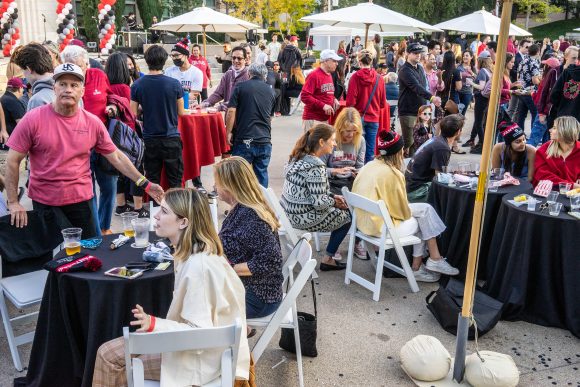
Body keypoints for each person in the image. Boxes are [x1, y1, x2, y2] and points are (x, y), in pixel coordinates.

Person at [92, 188, 250, 386]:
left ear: (184, 222)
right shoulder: (197, 251)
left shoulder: (197, 267)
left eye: (164, 212)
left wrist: (153, 324)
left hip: (203, 362)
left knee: (108, 357)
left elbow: (199, 334)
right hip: (215, 351)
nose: (156, 216)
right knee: (112, 352)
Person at [4, 63, 163, 236]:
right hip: (45, 201)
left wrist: (145, 183)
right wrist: (13, 202)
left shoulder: (92, 122)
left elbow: (116, 156)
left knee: (88, 252)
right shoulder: (33, 119)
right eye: (62, 84)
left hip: (81, 201)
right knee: (53, 257)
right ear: (54, 88)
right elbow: (13, 160)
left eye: (74, 85)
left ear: (82, 90)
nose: (68, 89)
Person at [352, 130, 459, 282]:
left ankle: (431, 261)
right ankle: (423, 265)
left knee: (425, 211)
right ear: (398, 152)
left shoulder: (369, 166)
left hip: (363, 223)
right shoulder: (393, 174)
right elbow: (402, 213)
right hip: (378, 228)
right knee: (424, 219)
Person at [62, 45, 120, 234]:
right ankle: (95, 228)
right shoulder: (66, 84)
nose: (78, 72)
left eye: (81, 66)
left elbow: (110, 95)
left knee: (109, 186)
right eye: (73, 67)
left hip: (101, 141)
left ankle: (104, 226)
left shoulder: (98, 75)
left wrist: (112, 106)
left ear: (87, 63)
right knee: (88, 191)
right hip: (77, 144)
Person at [215, 157, 283, 319]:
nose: (214, 187)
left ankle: (233, 334)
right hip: (249, 288)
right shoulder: (241, 208)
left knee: (196, 304)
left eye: (217, 183)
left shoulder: (251, 216)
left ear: (229, 186)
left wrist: (229, 269)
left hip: (258, 298)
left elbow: (272, 261)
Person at [281, 124, 351, 270]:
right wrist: (335, 202)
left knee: (341, 210)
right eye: (332, 140)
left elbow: (313, 191)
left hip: (288, 213)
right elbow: (319, 203)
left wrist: (332, 196)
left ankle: (328, 257)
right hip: (302, 216)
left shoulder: (298, 158)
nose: (334, 144)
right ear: (321, 142)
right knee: (348, 217)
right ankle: (328, 259)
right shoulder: (316, 166)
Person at [131, 45, 186, 189]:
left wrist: (144, 108)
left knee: (153, 180)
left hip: (150, 139)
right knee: (175, 181)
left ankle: (154, 210)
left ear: (147, 60)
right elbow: (181, 112)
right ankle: (176, 210)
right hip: (171, 138)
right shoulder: (174, 84)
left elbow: (133, 113)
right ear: (164, 60)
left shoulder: (137, 85)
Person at [226, 63, 276, 187]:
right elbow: (269, 118)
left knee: (240, 176)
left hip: (245, 140)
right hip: (264, 140)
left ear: (249, 74)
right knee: (261, 175)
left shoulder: (240, 87)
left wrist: (228, 132)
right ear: (264, 76)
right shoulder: (271, 92)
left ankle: (240, 205)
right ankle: (261, 203)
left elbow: (231, 111)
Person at [405, 114, 465, 202]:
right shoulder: (442, 148)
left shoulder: (437, 140)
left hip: (410, 186)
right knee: (456, 198)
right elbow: (440, 178)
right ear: (458, 132)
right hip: (417, 192)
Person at [398, 43, 442, 156]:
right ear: (408, 54)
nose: (418, 55)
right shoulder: (404, 70)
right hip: (408, 112)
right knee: (411, 145)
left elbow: (424, 86)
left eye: (419, 53)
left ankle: (415, 169)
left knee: (421, 143)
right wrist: (432, 98)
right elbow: (416, 87)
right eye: (415, 53)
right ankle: (409, 171)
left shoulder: (420, 68)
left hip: (420, 111)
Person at [346, 50, 386, 162]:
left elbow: (350, 103)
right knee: (370, 150)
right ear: (371, 61)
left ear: (359, 62)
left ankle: (356, 173)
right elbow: (383, 103)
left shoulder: (355, 77)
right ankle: (367, 174)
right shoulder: (379, 78)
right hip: (373, 118)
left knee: (355, 148)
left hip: (358, 117)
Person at [300, 49, 342, 132]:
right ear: (325, 61)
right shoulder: (314, 75)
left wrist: (334, 99)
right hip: (313, 119)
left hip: (323, 119)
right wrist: (323, 105)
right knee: (312, 145)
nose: (337, 63)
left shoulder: (329, 74)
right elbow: (304, 96)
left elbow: (324, 92)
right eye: (334, 61)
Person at [532, 116, 580, 188]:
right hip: (550, 193)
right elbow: (542, 176)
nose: (550, 130)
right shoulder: (545, 149)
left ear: (564, 131)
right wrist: (572, 185)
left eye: (554, 128)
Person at [528, 56, 561, 146]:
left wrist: (533, 94)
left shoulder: (546, 80)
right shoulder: (557, 79)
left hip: (543, 112)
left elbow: (541, 97)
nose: (543, 67)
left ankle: (525, 158)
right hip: (550, 113)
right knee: (547, 141)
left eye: (545, 65)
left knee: (534, 138)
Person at [204, 46, 249, 111]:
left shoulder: (249, 76)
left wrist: (219, 107)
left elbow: (240, 100)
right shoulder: (228, 74)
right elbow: (218, 93)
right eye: (234, 58)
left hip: (243, 117)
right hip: (229, 118)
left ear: (245, 60)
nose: (236, 61)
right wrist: (205, 103)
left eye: (239, 58)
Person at [12, 43, 55, 111]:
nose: (24, 75)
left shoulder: (37, 100)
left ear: (29, 69)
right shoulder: (66, 88)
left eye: (23, 70)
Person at [464, 51, 493, 154]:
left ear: (480, 60)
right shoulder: (489, 71)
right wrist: (473, 75)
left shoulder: (482, 71)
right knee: (480, 122)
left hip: (480, 99)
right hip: (486, 100)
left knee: (479, 122)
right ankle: (478, 142)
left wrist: (470, 82)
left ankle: (482, 144)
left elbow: (481, 87)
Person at [165, 39, 203, 106]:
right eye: (172, 56)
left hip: (190, 109)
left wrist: (173, 95)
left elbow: (193, 96)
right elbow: (166, 94)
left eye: (176, 55)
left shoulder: (197, 73)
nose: (174, 58)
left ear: (186, 55)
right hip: (172, 109)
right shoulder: (168, 71)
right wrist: (186, 95)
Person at [515, 43, 541, 133]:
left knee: (521, 115)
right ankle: (533, 135)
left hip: (521, 90)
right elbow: (535, 81)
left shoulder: (523, 61)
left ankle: (520, 134)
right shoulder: (534, 63)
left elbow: (518, 76)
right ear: (538, 52)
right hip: (530, 91)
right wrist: (542, 82)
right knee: (535, 113)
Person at [550, 60, 580, 124]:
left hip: (564, 118)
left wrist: (563, 107)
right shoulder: (568, 72)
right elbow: (554, 95)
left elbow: (554, 95)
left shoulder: (567, 72)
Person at [457, 50, 476, 116]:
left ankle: (460, 126)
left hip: (467, 93)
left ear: (471, 57)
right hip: (458, 92)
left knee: (462, 113)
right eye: (464, 56)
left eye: (467, 55)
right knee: (456, 111)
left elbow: (477, 80)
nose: (464, 57)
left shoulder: (474, 68)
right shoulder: (458, 67)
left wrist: (471, 73)